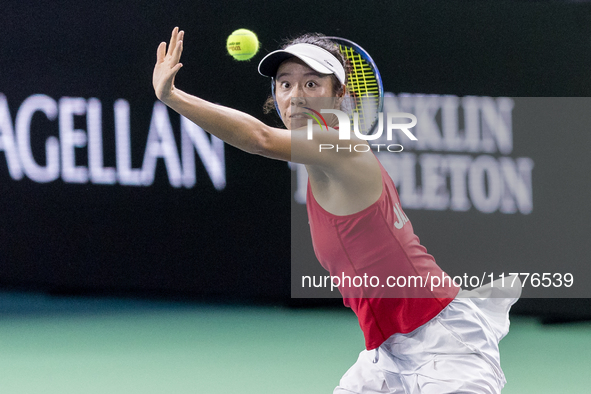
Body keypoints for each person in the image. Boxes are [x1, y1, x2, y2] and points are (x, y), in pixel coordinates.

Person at [153, 27, 521, 394]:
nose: (295, 96)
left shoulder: (342, 145)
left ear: (339, 93)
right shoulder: (321, 166)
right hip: (387, 354)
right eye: (285, 84)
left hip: (446, 345)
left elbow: (260, 139)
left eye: (312, 85)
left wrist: (173, 96)